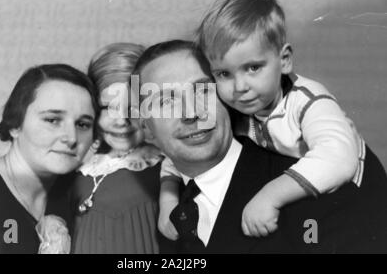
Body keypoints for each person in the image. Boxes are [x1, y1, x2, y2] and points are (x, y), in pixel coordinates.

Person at [133, 39, 387, 253]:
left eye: (203, 91)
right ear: (145, 128)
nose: (191, 113)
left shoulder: (314, 191)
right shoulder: (163, 214)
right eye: (166, 101)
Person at [159, 0, 367, 239]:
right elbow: (180, 154)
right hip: (310, 196)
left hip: (359, 191)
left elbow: (338, 160)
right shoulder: (240, 108)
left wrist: (271, 196)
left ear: (285, 60)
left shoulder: (308, 101)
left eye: (253, 68)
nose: (240, 87)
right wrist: (168, 200)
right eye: (224, 74)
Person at [0, 64, 97, 254]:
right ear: (15, 125)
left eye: (83, 124)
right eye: (52, 120)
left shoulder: (79, 192)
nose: (71, 137)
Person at [71, 43, 165, 254]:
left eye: (133, 108)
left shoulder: (165, 168)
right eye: (109, 108)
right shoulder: (77, 165)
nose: (122, 120)